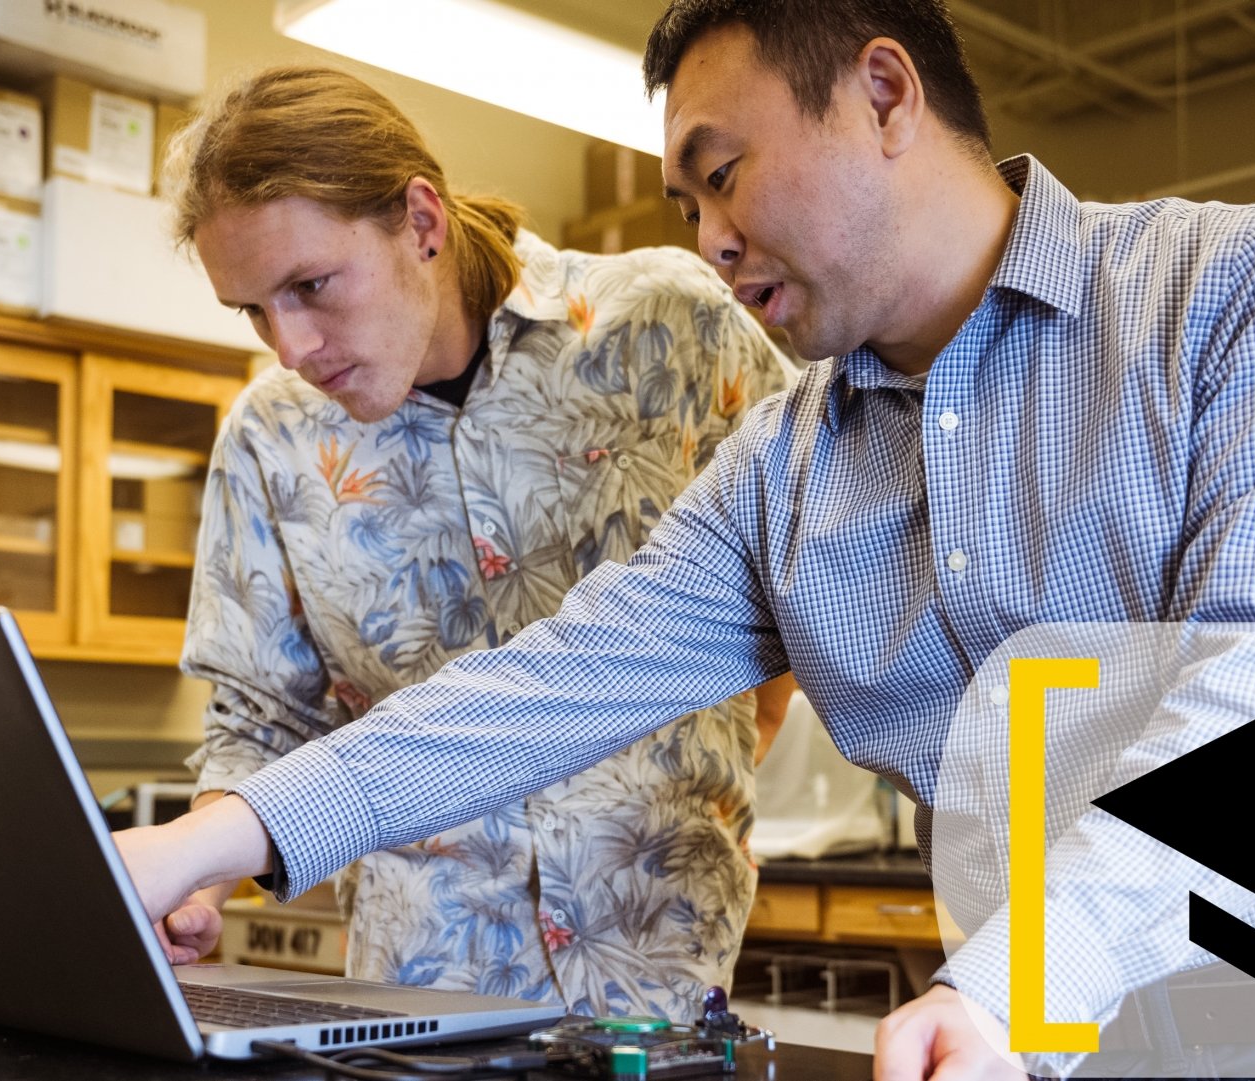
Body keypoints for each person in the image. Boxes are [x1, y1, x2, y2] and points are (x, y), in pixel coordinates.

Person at [115, 2, 1255, 1078]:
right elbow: (541, 690)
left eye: (725, 176)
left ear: (884, 94)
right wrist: (208, 839)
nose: (710, 239)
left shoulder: (1245, 292)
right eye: (685, 208)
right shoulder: (781, 471)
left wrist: (1017, 979)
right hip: (1028, 1022)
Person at [150, 66, 799, 1022]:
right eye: (252, 310)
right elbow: (258, 722)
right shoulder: (270, 439)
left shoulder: (670, 328)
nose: (289, 346)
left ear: (421, 220)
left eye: (310, 285)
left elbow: (810, 565)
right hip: (415, 987)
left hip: (661, 971)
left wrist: (721, 757)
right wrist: (196, 874)